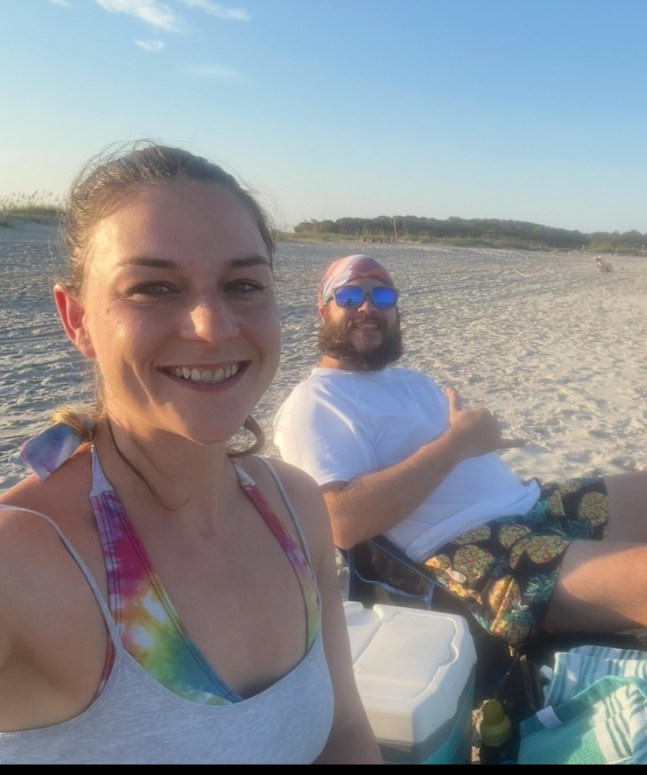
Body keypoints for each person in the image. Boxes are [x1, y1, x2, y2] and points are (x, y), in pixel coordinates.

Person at [273, 254, 647, 765]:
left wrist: (467, 439)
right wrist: (457, 443)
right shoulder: (316, 401)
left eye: (381, 293)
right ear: (321, 309)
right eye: (349, 294)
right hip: (472, 555)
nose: (367, 306)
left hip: (527, 508)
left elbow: (452, 451)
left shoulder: (409, 381)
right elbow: (340, 521)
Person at [0, 144, 382, 764]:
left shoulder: (295, 504)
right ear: (78, 320)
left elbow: (344, 736)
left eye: (243, 284)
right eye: (153, 288)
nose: (212, 325)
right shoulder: (24, 561)